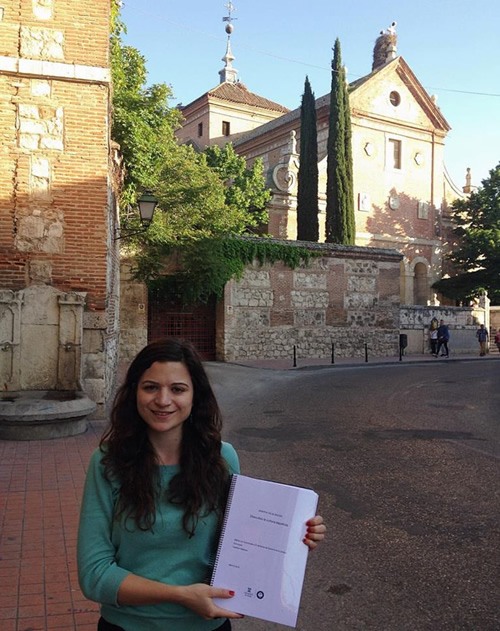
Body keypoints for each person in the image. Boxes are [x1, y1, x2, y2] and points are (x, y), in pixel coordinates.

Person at [77, 338, 326, 631]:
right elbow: (94, 575)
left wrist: (290, 540)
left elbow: (241, 544)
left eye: (178, 389)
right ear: (134, 393)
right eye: (151, 387)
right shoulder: (108, 463)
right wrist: (181, 596)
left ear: (196, 396)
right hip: (127, 627)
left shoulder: (222, 459)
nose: (163, 400)